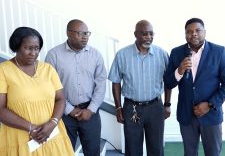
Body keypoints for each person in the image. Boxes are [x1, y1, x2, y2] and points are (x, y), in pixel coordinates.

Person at [163, 18, 225, 156]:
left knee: (213, 153)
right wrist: (179, 71)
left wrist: (209, 104)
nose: (194, 34)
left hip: (211, 114)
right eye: (189, 31)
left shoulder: (219, 52)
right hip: (186, 115)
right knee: (189, 153)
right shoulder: (176, 53)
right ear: (185, 35)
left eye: (197, 30)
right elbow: (168, 83)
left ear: (205, 32)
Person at [0, 27, 74, 155]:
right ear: (16, 47)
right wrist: (32, 128)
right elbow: (0, 109)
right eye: (28, 48)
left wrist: (52, 123)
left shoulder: (48, 69)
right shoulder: (3, 70)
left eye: (36, 48)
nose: (33, 53)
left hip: (52, 134)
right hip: (20, 137)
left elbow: (60, 99)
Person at [108, 20, 171, 156]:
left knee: (156, 148)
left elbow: (169, 81)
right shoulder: (122, 55)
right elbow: (116, 82)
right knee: (132, 148)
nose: (148, 37)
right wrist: (118, 107)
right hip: (132, 108)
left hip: (155, 107)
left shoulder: (162, 54)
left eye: (151, 33)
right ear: (135, 34)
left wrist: (167, 104)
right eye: (144, 34)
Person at [45, 19, 107, 156]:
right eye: (80, 33)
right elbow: (49, 87)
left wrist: (90, 110)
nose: (85, 36)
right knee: (64, 152)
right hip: (64, 114)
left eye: (87, 33)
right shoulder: (53, 55)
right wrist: (70, 110)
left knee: (93, 152)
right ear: (68, 33)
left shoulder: (96, 55)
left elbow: (101, 84)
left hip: (91, 114)